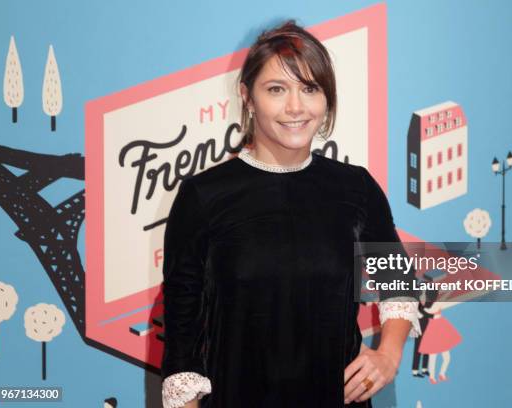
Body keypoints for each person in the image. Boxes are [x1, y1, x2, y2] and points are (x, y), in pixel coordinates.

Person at [160, 19, 421, 408]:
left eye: (310, 88)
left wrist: (388, 355)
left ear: (326, 98)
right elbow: (182, 344)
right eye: (276, 89)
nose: (295, 107)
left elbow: (398, 285)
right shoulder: (203, 195)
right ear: (247, 97)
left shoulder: (356, 187)